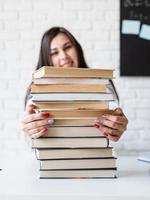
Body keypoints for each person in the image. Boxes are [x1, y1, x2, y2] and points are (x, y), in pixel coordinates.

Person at [21, 26, 128, 141]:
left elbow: (112, 107)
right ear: (47, 59)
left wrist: (117, 122)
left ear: (77, 48)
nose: (64, 56)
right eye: (54, 53)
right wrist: (31, 125)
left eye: (67, 47)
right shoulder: (37, 90)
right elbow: (31, 113)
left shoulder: (101, 82)